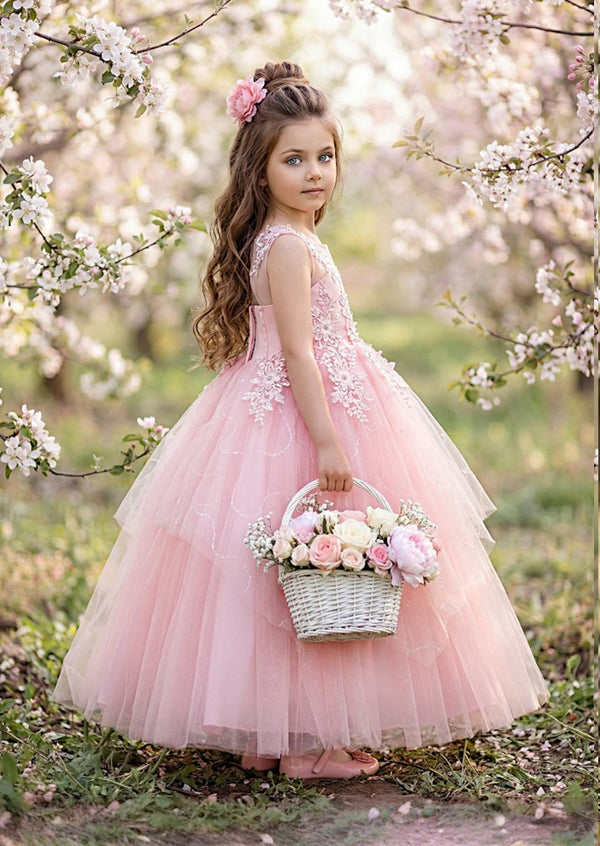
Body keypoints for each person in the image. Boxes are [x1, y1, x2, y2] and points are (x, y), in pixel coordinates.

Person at [53, 61, 548, 780]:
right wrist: (325, 439)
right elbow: (297, 354)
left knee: (280, 573)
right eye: (295, 159)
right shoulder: (286, 248)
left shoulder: (290, 239)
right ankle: (309, 745)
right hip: (298, 410)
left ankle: (269, 730)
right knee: (304, 567)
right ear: (260, 171)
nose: (316, 171)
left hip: (283, 404)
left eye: (326, 156)